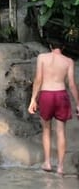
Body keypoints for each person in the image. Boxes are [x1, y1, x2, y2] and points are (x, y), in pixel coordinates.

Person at [28, 42, 79, 174]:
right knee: (61, 131)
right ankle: (61, 167)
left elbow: (38, 79)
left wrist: (33, 99)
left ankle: (47, 163)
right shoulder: (68, 61)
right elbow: (72, 84)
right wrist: (78, 103)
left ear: (50, 45)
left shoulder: (42, 58)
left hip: (46, 95)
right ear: (63, 47)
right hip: (61, 95)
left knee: (46, 130)